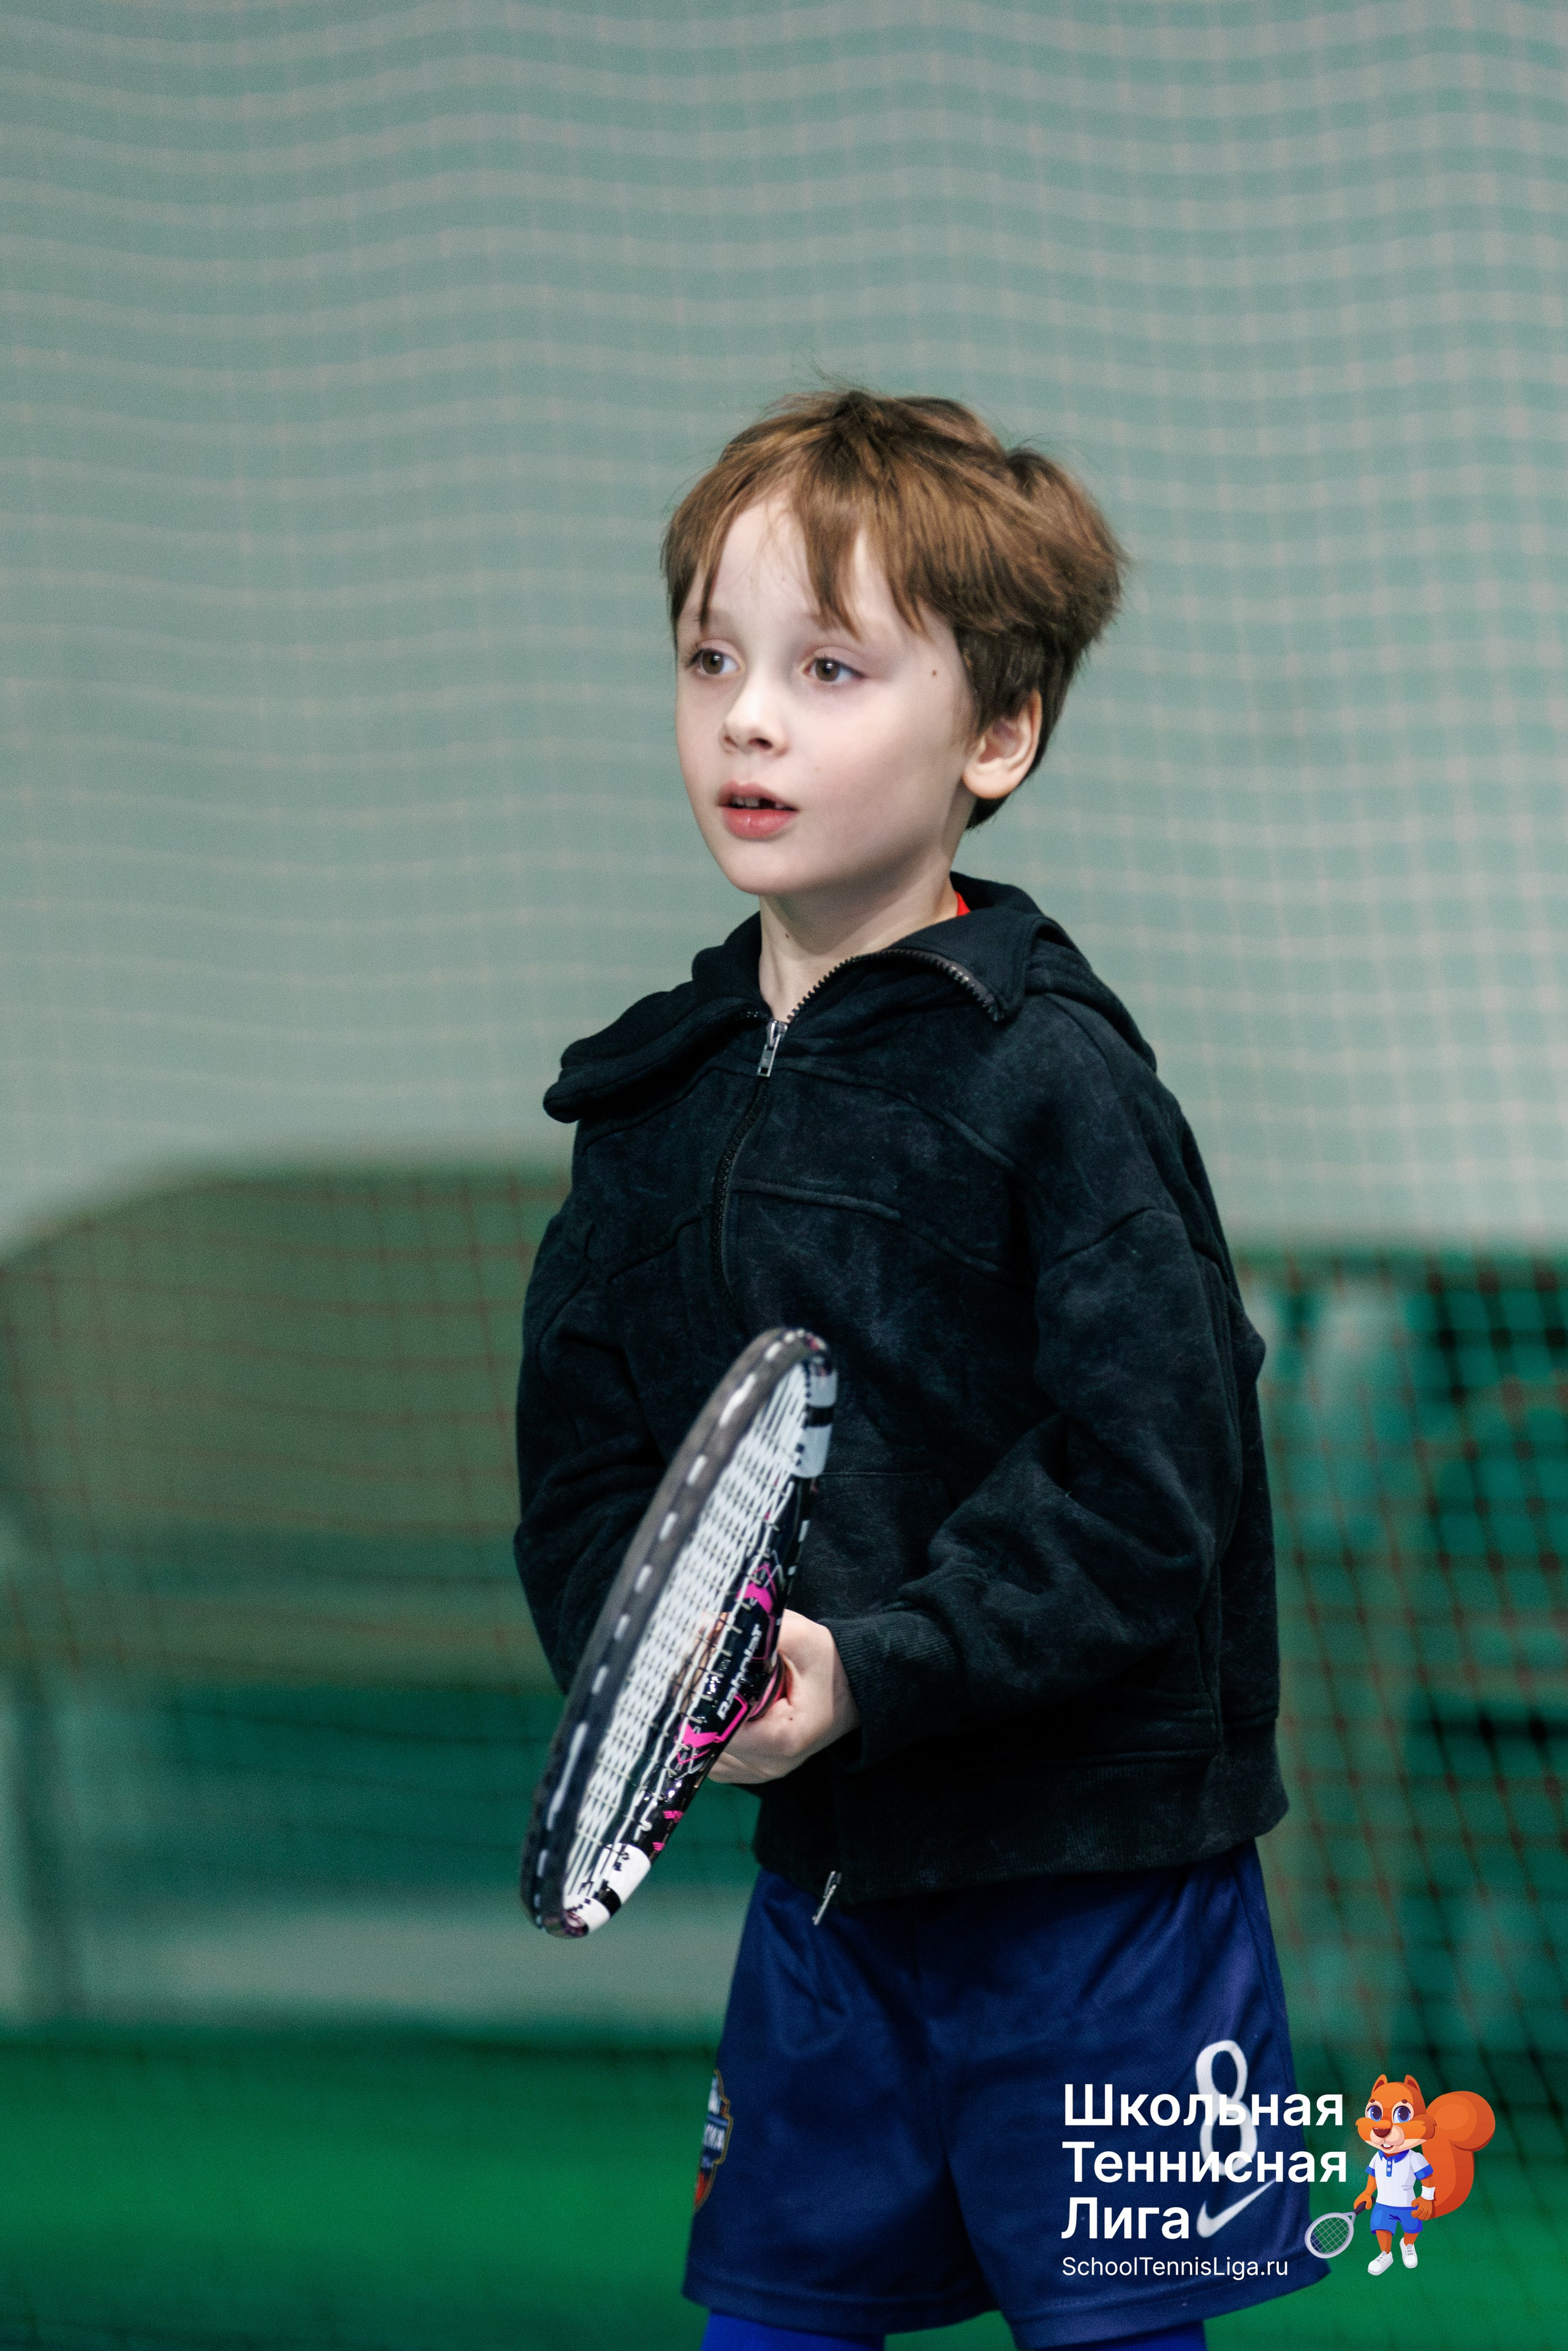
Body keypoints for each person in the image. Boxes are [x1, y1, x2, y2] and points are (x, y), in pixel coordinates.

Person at [514, 390, 1326, 2350]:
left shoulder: (1061, 1082)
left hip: (1106, 1895)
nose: (749, 719)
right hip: (833, 1904)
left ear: (997, 736)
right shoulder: (652, 1101)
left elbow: (1151, 1479)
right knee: (775, 2320)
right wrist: (677, 1693)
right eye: (711, 658)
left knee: (1120, 2335)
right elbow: (588, 1474)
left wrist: (878, 1666)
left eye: (828, 666)